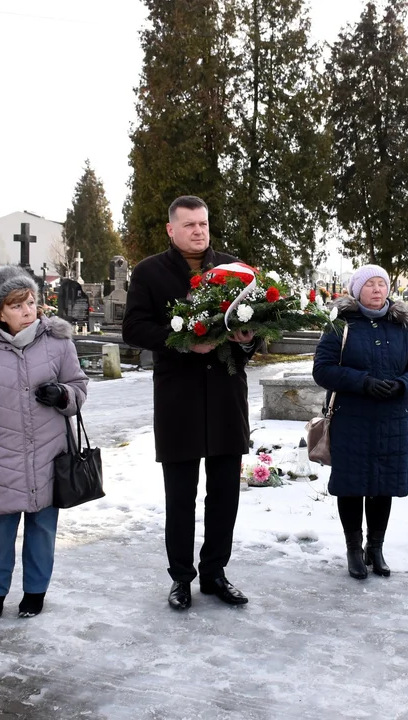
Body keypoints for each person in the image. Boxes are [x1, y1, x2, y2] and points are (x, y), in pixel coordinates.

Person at [122, 195, 258, 611]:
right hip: (178, 398)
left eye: (203, 224)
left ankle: (215, 573)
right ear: (171, 229)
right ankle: (181, 577)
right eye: (189, 225)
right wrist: (183, 343)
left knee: (223, 495)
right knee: (180, 496)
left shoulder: (234, 268)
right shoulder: (149, 272)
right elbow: (134, 328)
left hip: (225, 395)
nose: (198, 231)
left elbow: (258, 320)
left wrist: (249, 339)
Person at [0, 265, 88, 620]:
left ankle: (35, 592)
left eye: (30, 302)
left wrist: (62, 395)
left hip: (49, 454)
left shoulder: (58, 341)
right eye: (17, 305)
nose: (28, 311)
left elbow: (79, 387)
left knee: (42, 529)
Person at [312, 265, 408, 580]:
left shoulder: (402, 326)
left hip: (391, 420)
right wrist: (362, 382)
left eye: (382, 284)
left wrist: (403, 384)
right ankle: (353, 549)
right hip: (351, 419)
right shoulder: (340, 324)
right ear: (357, 290)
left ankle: (374, 548)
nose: (378, 290)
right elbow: (322, 369)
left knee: (383, 485)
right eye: (370, 285)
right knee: (351, 485)